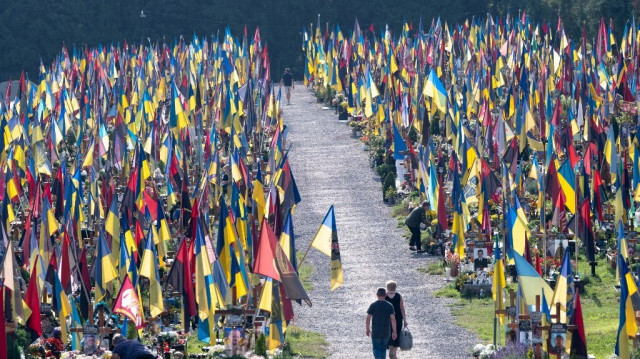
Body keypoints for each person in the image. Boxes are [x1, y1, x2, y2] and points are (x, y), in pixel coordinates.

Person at [366, 287, 397, 359]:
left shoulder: (373, 305)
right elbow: (393, 319)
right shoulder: (389, 305)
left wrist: (367, 329)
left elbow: (368, 318)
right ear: (385, 295)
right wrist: (394, 331)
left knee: (376, 348)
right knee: (383, 348)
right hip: (386, 331)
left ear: (377, 295)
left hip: (376, 331)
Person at [385, 281, 407, 359]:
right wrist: (405, 320)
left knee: (388, 333)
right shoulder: (399, 296)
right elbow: (402, 308)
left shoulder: (385, 296)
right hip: (398, 317)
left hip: (387, 317)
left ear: (387, 287)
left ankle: (390, 346)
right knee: (396, 333)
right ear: (395, 287)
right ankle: (394, 354)